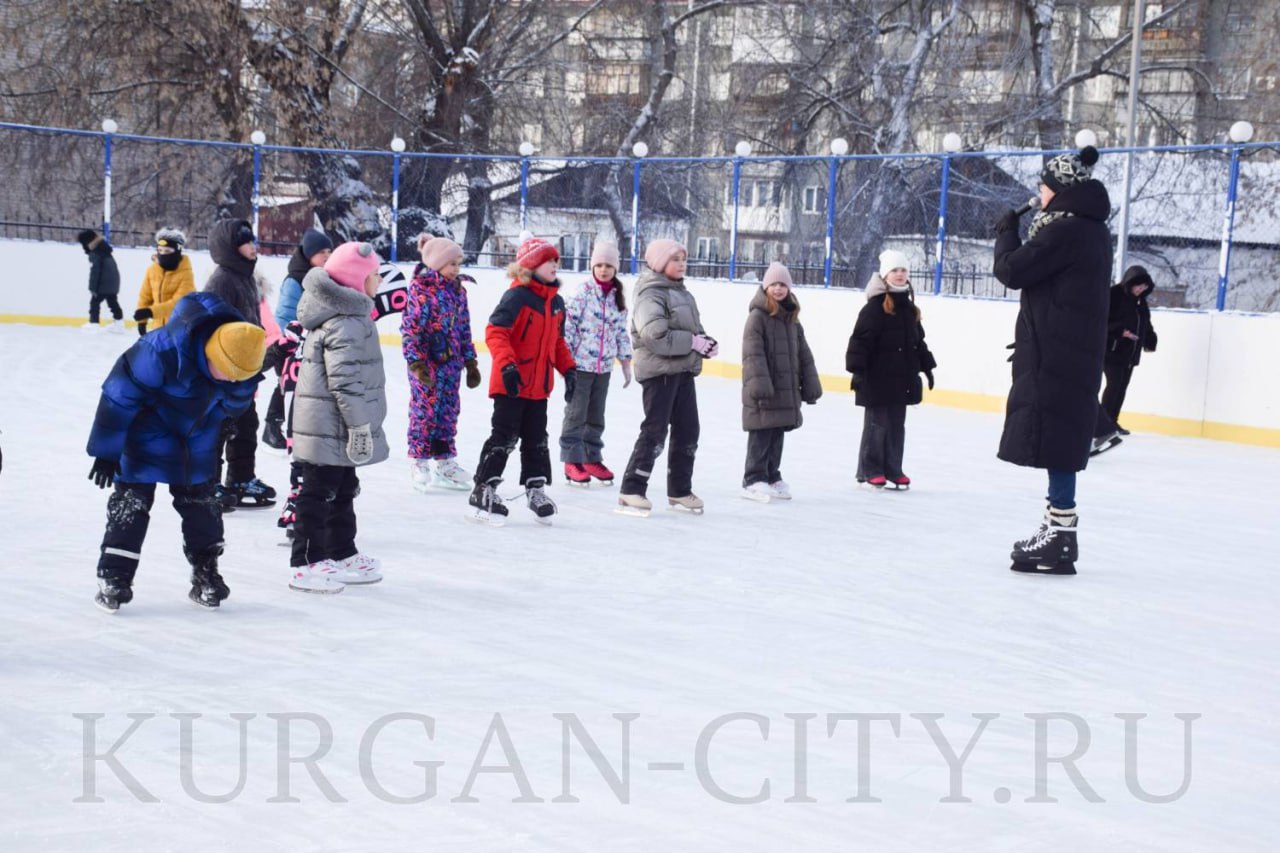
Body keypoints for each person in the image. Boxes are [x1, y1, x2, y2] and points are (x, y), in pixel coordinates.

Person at [86, 292, 265, 611]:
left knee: (202, 506)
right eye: (228, 372)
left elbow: (236, 404)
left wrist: (224, 426)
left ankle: (206, 573)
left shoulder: (242, 365)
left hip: (195, 441)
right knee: (131, 504)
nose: (233, 380)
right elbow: (119, 395)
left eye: (241, 376)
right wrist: (106, 450)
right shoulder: (160, 351)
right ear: (212, 354)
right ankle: (114, 576)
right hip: (144, 435)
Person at [993, 145, 1111, 575]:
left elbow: (1012, 271)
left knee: (1058, 439)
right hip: (1069, 349)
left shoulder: (1067, 232)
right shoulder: (1089, 229)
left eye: (1044, 189)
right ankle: (1056, 528)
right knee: (1059, 436)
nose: (1039, 196)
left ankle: (1061, 535)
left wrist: (1006, 234)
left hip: (1060, 353)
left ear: (1059, 190)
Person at [288, 242, 390, 593]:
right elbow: (345, 381)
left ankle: (341, 551)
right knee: (318, 492)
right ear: (356, 281)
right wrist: (359, 425)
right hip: (330, 424)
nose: (379, 281)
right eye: (375, 276)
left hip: (337, 425)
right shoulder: (345, 322)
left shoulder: (353, 315)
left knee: (343, 488)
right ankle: (306, 562)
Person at [468, 236, 576, 524]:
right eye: (548, 260)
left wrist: (569, 370)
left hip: (539, 388)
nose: (555, 264)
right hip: (511, 384)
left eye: (556, 260)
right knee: (503, 437)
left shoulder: (556, 303)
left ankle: (535, 489)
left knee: (537, 439)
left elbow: (557, 343)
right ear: (531, 265)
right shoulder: (517, 297)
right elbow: (496, 332)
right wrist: (507, 366)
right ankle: (484, 488)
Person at [617, 239, 716, 516]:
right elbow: (654, 335)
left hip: (682, 371)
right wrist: (693, 343)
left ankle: (680, 491)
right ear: (660, 263)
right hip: (659, 373)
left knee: (688, 430)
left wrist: (705, 343)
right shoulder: (650, 294)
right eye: (675, 259)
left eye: (684, 259)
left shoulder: (682, 293)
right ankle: (632, 489)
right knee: (655, 431)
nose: (682, 264)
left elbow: (693, 329)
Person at [844, 250, 936, 491]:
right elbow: (860, 341)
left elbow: (918, 342)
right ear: (885, 276)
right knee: (877, 425)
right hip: (876, 378)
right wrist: (858, 370)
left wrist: (927, 367)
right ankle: (870, 470)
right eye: (894, 270)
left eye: (903, 270)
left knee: (896, 426)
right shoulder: (874, 308)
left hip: (902, 379)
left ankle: (893, 468)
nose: (899, 274)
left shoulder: (909, 308)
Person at [202, 218, 276, 508]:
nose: (253, 246)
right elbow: (210, 326)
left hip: (244, 370)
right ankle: (209, 484)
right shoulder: (222, 280)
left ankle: (241, 478)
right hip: (224, 373)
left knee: (246, 426)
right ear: (231, 247)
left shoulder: (246, 278)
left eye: (253, 240)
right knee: (219, 430)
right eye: (246, 242)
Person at [402, 235, 481, 492]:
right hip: (426, 366)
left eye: (458, 263)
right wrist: (416, 363)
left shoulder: (459, 292)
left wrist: (470, 361)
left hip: (452, 365)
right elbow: (411, 329)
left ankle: (445, 460)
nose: (456, 269)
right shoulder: (420, 290)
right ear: (436, 264)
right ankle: (419, 460)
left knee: (448, 412)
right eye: (451, 264)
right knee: (424, 410)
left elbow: (463, 328)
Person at [741, 262, 822, 501]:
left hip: (784, 388)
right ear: (766, 287)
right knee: (761, 433)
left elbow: (803, 355)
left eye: (783, 285)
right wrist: (759, 385)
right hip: (764, 388)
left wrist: (810, 384)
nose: (778, 289)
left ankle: (771, 474)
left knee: (777, 432)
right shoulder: (757, 317)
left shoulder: (792, 318)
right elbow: (752, 354)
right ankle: (753, 478)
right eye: (774, 284)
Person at [560, 239, 633, 486]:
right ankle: (572, 460)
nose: (604, 270)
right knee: (576, 413)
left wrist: (625, 361)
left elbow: (621, 331)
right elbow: (567, 327)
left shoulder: (617, 298)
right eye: (599, 265)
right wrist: (565, 361)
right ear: (592, 266)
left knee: (596, 415)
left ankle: (591, 457)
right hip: (580, 366)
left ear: (615, 268)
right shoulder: (582, 293)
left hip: (603, 367)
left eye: (608, 266)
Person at [263, 229, 333, 450]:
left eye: (329, 251)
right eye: (322, 252)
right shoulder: (296, 280)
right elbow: (284, 315)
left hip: (311, 344)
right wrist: (290, 340)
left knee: (303, 388)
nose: (327, 256)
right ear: (309, 254)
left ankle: (300, 429)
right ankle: (272, 428)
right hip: (290, 343)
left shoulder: (323, 277)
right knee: (286, 385)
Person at [1092, 264, 1159, 451]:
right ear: (1129, 282)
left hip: (1130, 353)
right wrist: (1120, 331)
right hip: (1112, 350)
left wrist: (1150, 340)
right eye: (1138, 286)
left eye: (1144, 287)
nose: (1140, 290)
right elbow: (1102, 320)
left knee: (1121, 387)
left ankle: (1112, 421)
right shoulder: (1113, 295)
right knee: (1114, 385)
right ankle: (1103, 424)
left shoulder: (1141, 303)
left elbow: (1145, 324)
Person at [133, 227, 195, 336]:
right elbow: (145, 297)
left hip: (179, 329)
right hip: (157, 330)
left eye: (168, 251)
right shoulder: (152, 270)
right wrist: (142, 321)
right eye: (160, 250)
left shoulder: (186, 273)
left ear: (178, 251)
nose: (163, 254)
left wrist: (151, 312)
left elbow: (179, 303)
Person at [76, 229, 123, 331]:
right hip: (113, 282)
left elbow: (95, 272)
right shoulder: (104, 249)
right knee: (112, 302)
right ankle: (119, 323)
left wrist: (92, 288)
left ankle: (94, 323)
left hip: (103, 284)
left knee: (94, 302)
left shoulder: (96, 253)